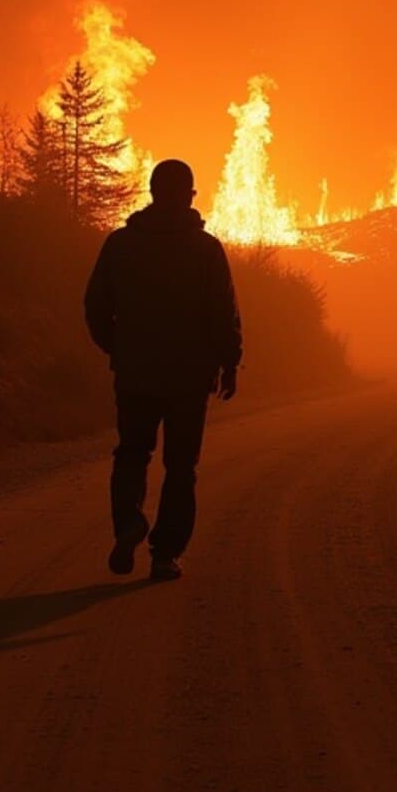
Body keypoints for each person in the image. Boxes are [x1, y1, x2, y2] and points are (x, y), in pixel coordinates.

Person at [83, 158, 241, 581]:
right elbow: (223, 312)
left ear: (152, 193)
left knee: (132, 453)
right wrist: (229, 362)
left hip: (135, 373)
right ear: (190, 196)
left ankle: (129, 523)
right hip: (190, 378)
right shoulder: (206, 250)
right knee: (181, 466)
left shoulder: (120, 245)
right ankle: (165, 554)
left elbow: (95, 306)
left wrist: (118, 348)